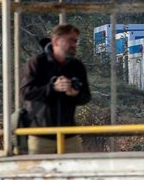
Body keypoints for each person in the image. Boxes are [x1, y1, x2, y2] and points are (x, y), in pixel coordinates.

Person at [20, 23, 91, 154]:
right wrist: (52, 88)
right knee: (39, 173)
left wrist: (75, 93)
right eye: (70, 40)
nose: (74, 44)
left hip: (69, 134)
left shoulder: (77, 66)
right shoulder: (37, 63)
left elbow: (86, 96)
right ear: (56, 41)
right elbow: (26, 92)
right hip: (40, 134)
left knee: (76, 171)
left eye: (75, 41)